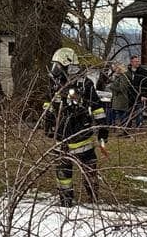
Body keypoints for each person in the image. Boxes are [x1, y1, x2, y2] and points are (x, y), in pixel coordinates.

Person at [42, 47, 108, 207]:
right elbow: (48, 103)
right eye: (54, 66)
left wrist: (103, 130)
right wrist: (47, 121)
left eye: (58, 66)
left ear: (69, 66)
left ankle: (93, 200)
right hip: (61, 138)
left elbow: (97, 108)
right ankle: (65, 201)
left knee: (90, 171)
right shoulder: (55, 84)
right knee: (63, 174)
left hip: (82, 136)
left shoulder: (84, 84)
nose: (55, 70)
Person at [125, 55, 147, 128]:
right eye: (136, 61)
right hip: (129, 95)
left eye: (138, 61)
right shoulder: (127, 71)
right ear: (131, 62)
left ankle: (139, 125)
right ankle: (127, 126)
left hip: (139, 94)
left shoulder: (143, 72)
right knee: (128, 111)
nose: (137, 63)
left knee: (139, 111)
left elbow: (146, 84)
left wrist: (144, 95)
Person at [107, 63, 131, 129]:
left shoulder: (124, 77)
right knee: (115, 113)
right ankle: (116, 126)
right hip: (116, 99)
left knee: (122, 115)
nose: (115, 69)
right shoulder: (118, 76)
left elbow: (122, 89)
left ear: (120, 69)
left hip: (121, 99)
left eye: (116, 68)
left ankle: (124, 128)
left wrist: (111, 87)